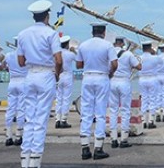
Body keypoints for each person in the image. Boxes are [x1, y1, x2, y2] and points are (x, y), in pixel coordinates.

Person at [17, 0, 63, 168]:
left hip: (30, 74)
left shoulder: (22, 34)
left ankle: (25, 160)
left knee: (29, 118)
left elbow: (20, 61)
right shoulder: (51, 34)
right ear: (47, 16)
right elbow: (58, 59)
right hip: (46, 74)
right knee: (41, 119)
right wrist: (56, 74)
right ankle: (36, 161)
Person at [76, 22, 117, 160]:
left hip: (87, 78)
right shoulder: (108, 45)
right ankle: (98, 148)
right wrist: (110, 73)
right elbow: (115, 64)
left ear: (92, 32)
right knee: (100, 113)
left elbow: (79, 64)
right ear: (104, 32)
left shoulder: (83, 45)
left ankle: (84, 148)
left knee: (86, 112)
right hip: (102, 77)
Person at [108, 36, 141, 148]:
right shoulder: (128, 54)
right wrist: (130, 66)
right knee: (125, 110)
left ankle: (113, 139)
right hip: (124, 82)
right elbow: (139, 66)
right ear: (122, 43)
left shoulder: (109, 52)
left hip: (112, 82)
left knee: (113, 110)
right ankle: (124, 139)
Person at [4, 37, 27, 147]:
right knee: (21, 109)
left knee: (10, 109)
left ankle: (8, 136)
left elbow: (5, 67)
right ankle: (19, 135)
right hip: (23, 81)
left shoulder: (8, 55)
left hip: (12, 81)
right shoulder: (26, 55)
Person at [138, 41, 161, 129]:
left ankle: (143, 120)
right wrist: (154, 53)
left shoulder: (139, 58)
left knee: (144, 99)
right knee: (152, 99)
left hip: (142, 79)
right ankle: (151, 120)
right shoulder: (155, 58)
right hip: (152, 78)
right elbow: (161, 63)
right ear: (150, 48)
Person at [55, 35, 76, 129]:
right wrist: (74, 50)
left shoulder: (57, 53)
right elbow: (79, 60)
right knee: (66, 98)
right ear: (67, 44)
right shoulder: (70, 54)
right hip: (67, 75)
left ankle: (57, 119)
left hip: (59, 74)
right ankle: (64, 119)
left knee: (59, 98)